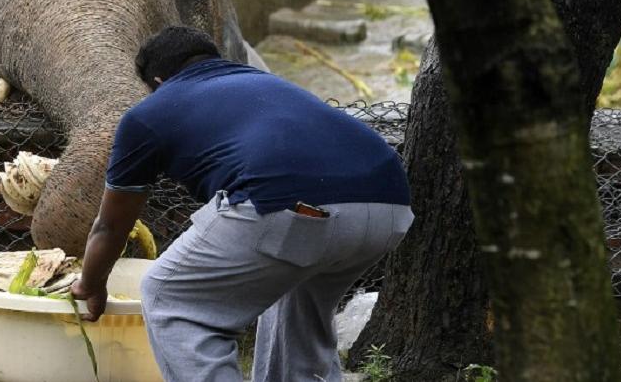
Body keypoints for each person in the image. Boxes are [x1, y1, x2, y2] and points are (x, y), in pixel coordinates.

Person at [71, 26, 413, 382]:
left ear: (157, 81)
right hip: (389, 206)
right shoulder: (265, 83)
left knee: (170, 298)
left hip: (289, 205)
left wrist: (91, 284)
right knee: (297, 316)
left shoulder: (149, 113)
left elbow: (111, 226)